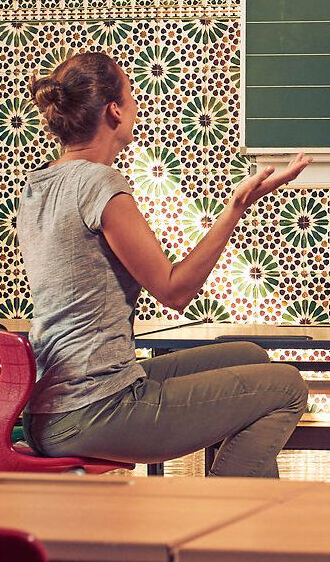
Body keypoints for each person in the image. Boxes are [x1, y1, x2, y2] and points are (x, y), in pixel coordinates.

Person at [18, 51, 312, 476]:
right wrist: (236, 208)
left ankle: (249, 516)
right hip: (93, 409)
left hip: (49, 410)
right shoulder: (99, 183)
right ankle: (221, 527)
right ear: (114, 111)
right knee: (287, 387)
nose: (136, 105)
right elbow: (175, 292)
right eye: (131, 95)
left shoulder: (39, 184)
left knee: (250, 357)